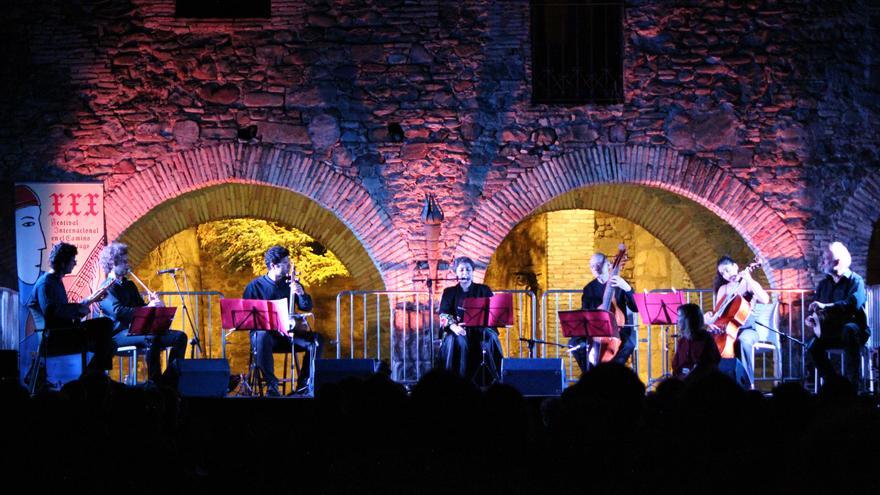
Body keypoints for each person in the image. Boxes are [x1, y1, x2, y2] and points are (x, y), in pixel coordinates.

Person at [97, 242, 187, 386]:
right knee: (152, 338)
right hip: (119, 334)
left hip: (139, 331)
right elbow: (118, 312)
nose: (128, 265)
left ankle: (170, 380)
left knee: (180, 337)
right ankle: (155, 381)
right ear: (113, 263)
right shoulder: (106, 288)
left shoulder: (129, 285)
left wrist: (153, 304)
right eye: (124, 262)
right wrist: (147, 308)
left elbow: (141, 308)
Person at [26, 242, 116, 383]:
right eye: (73, 260)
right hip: (55, 337)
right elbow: (52, 312)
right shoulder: (46, 283)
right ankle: (91, 380)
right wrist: (79, 308)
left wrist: (90, 301)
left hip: (64, 332)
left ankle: (90, 379)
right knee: (105, 324)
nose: (75, 263)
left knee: (110, 344)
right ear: (63, 263)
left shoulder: (55, 281)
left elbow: (63, 311)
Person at [243, 245, 323, 396]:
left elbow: (306, 307)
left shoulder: (291, 283)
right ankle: (272, 386)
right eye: (286, 263)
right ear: (273, 265)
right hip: (267, 337)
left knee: (317, 340)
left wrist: (300, 293)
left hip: (289, 334)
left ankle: (304, 385)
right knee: (261, 336)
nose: (289, 266)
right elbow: (247, 317)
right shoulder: (255, 286)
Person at [807, 242, 870, 390]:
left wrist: (826, 307)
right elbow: (817, 310)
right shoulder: (824, 284)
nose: (822, 262)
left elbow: (852, 305)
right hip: (831, 332)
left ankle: (852, 385)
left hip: (854, 331)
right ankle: (834, 383)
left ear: (837, 262)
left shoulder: (856, 281)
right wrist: (811, 319)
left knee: (849, 329)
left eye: (825, 259)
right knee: (812, 346)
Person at [705, 255, 770, 388]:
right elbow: (718, 313)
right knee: (708, 343)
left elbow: (765, 299)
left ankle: (747, 383)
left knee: (743, 341)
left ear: (735, 267)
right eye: (723, 273)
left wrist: (749, 279)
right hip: (726, 329)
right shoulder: (723, 289)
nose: (726, 275)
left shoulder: (747, 284)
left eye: (728, 270)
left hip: (748, 329)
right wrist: (708, 320)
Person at [569, 252, 638, 373]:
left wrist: (627, 288)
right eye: (592, 266)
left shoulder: (620, 283)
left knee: (630, 343)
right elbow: (585, 313)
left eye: (598, 264)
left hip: (618, 330)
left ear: (608, 264)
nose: (595, 268)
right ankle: (590, 375)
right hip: (595, 330)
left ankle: (612, 374)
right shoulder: (589, 289)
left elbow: (636, 307)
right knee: (574, 343)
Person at [438, 256, 503, 385]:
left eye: (468, 270)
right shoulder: (449, 292)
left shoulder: (484, 290)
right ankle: (458, 381)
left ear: (472, 271)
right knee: (458, 341)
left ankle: (496, 378)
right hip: (457, 330)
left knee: (491, 337)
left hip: (480, 329)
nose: (465, 273)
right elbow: (443, 314)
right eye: (461, 270)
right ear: (456, 272)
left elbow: (494, 311)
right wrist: (455, 327)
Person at [672, 303, 721, 377]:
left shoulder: (706, 339)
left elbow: (712, 364)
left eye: (679, 316)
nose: (677, 320)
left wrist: (693, 371)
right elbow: (676, 365)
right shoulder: (682, 341)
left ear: (688, 319)